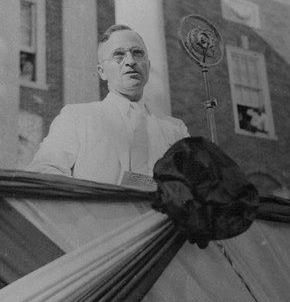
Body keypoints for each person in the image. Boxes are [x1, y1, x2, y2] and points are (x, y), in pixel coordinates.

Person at [27, 24, 189, 185]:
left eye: (137, 53)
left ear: (149, 65)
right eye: (119, 56)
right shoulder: (77, 118)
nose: (130, 61)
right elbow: (43, 169)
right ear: (102, 71)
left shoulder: (175, 129)